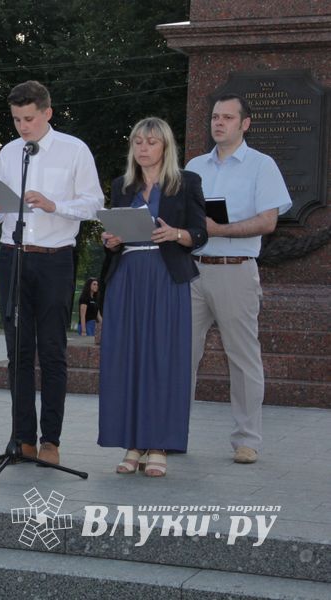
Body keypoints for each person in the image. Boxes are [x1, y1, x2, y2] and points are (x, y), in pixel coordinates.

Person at [0, 80, 103, 465]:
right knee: (17, 352)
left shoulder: (74, 150)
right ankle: (22, 439)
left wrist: (54, 204)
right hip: (12, 256)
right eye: (16, 119)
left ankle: (51, 441)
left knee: (51, 351)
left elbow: (95, 203)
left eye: (29, 118)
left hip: (53, 259)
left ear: (47, 113)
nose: (22, 127)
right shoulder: (10, 152)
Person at [98, 117, 207, 477]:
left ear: (165, 147)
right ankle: (132, 445)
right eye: (137, 142)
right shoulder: (122, 185)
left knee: (162, 359)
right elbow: (117, 235)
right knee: (127, 360)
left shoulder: (186, 182)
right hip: (128, 278)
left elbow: (200, 233)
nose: (143, 148)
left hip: (165, 278)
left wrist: (177, 233)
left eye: (151, 142)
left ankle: (158, 444)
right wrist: (111, 240)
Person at [186, 94, 292, 465]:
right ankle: (170, 433)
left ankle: (247, 440)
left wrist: (221, 229)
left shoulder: (262, 166)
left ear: (245, 124)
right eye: (215, 116)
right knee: (182, 355)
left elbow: (268, 221)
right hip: (192, 270)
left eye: (227, 117)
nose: (219, 123)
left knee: (243, 358)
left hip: (236, 269)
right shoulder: (195, 166)